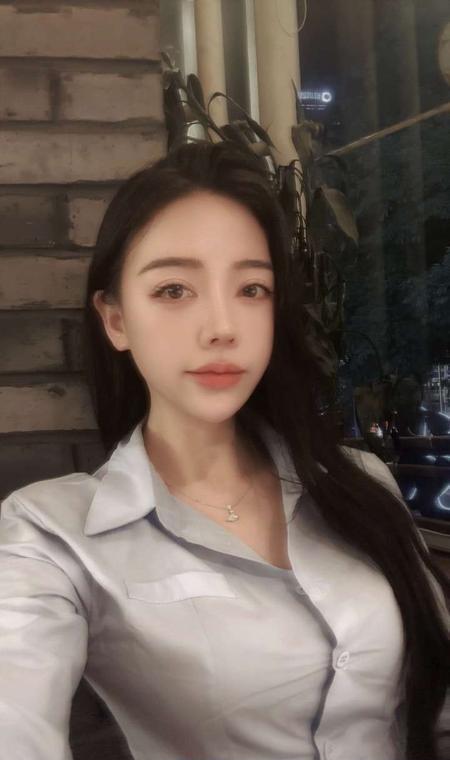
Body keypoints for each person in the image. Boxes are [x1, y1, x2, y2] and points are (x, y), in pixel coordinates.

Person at [0, 140, 448, 760]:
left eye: (252, 289)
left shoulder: (358, 482)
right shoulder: (52, 536)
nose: (222, 327)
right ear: (116, 320)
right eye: (173, 290)